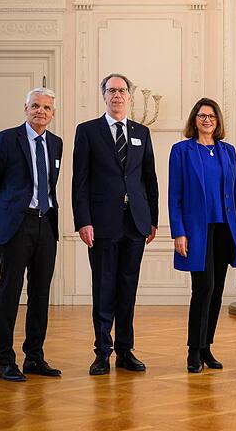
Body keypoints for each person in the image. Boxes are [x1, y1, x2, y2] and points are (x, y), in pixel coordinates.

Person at [72, 73, 159, 375]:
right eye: (112, 90)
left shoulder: (141, 132)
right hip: (102, 223)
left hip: (135, 223)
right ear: (104, 96)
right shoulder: (88, 131)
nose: (118, 95)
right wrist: (83, 220)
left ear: (130, 97)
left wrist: (153, 219)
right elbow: (79, 181)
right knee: (104, 288)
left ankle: (125, 350)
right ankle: (102, 352)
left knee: (127, 288)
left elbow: (149, 179)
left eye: (122, 90)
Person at [0, 87, 63, 382]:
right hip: (16, 227)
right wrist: (1, 223)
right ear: (25, 108)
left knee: (40, 294)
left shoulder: (56, 143)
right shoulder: (5, 140)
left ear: (53, 114)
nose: (41, 111)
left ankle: (34, 356)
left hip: (46, 224)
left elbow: (50, 185)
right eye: (36, 106)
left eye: (47, 108)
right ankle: (4, 360)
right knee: (9, 292)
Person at [168, 98, 236, 373]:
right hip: (197, 231)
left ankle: (207, 348)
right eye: (201, 115)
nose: (207, 120)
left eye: (211, 116)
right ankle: (193, 350)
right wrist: (179, 232)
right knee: (203, 288)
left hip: (225, 229)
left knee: (217, 292)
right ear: (194, 119)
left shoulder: (228, 151)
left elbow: (235, 194)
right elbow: (174, 195)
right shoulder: (181, 151)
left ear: (218, 121)